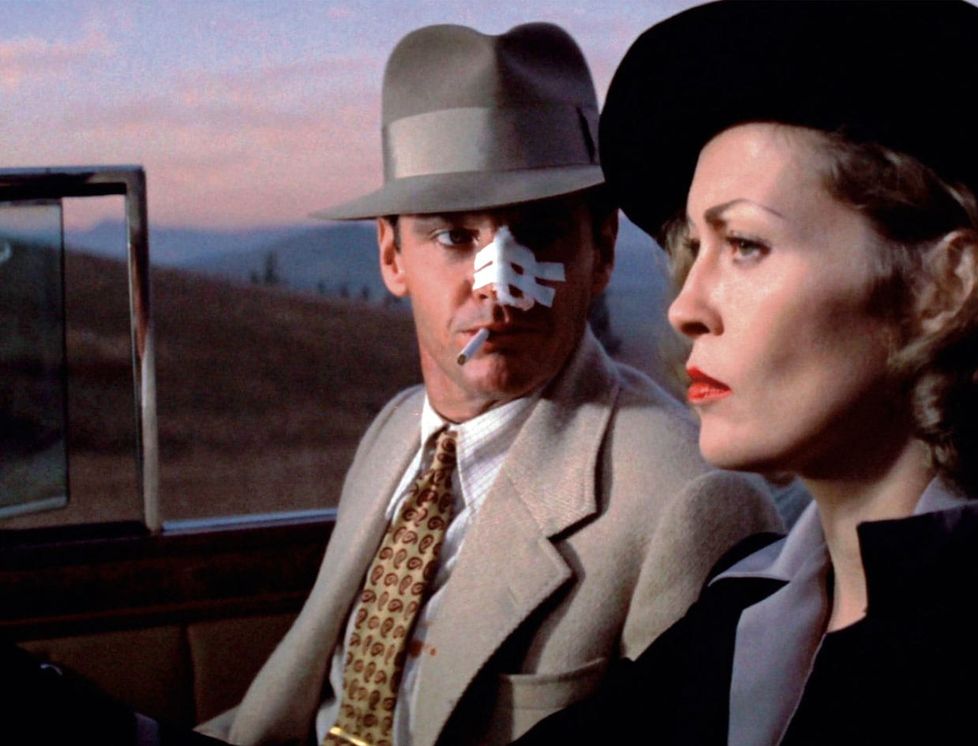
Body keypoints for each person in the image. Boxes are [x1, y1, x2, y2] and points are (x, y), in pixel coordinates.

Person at [516, 2, 978, 744]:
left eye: (745, 244)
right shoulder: (741, 607)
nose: (687, 307)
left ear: (947, 286)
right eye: (694, 253)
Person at [198, 21, 781, 746]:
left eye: (538, 235)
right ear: (391, 253)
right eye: (454, 237)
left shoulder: (690, 502)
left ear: (600, 251)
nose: (499, 291)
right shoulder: (394, 434)